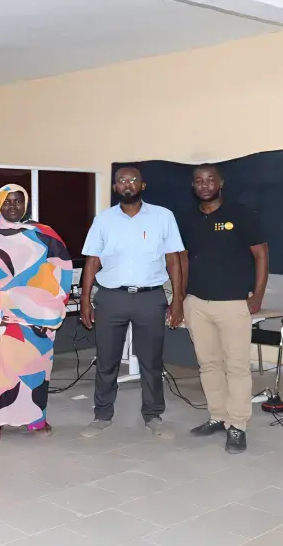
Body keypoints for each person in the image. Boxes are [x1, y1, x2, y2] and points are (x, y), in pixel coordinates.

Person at [0, 184, 73, 441]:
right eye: (7, 201)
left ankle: (34, 419)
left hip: (33, 320)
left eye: (18, 201)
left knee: (33, 369)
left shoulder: (44, 235)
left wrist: (33, 304)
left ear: (26, 204)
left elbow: (60, 270)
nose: (13, 206)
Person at [79, 166, 185, 439]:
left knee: (151, 361)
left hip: (151, 298)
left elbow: (174, 259)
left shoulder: (163, 217)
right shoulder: (103, 220)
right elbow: (92, 261)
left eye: (133, 180)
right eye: (121, 181)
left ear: (143, 185)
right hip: (111, 298)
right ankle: (102, 414)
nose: (127, 184)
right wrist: (85, 301)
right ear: (115, 188)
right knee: (106, 360)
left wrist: (178, 301)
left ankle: (153, 415)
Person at [179, 164, 268, 454]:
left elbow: (261, 255)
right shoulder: (188, 219)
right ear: (193, 186)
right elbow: (182, 261)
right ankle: (217, 416)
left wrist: (257, 296)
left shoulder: (242, 214)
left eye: (210, 180)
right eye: (198, 181)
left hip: (233, 303)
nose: (204, 185)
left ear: (221, 183)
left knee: (237, 366)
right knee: (209, 364)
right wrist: (181, 298)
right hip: (197, 303)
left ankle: (238, 425)